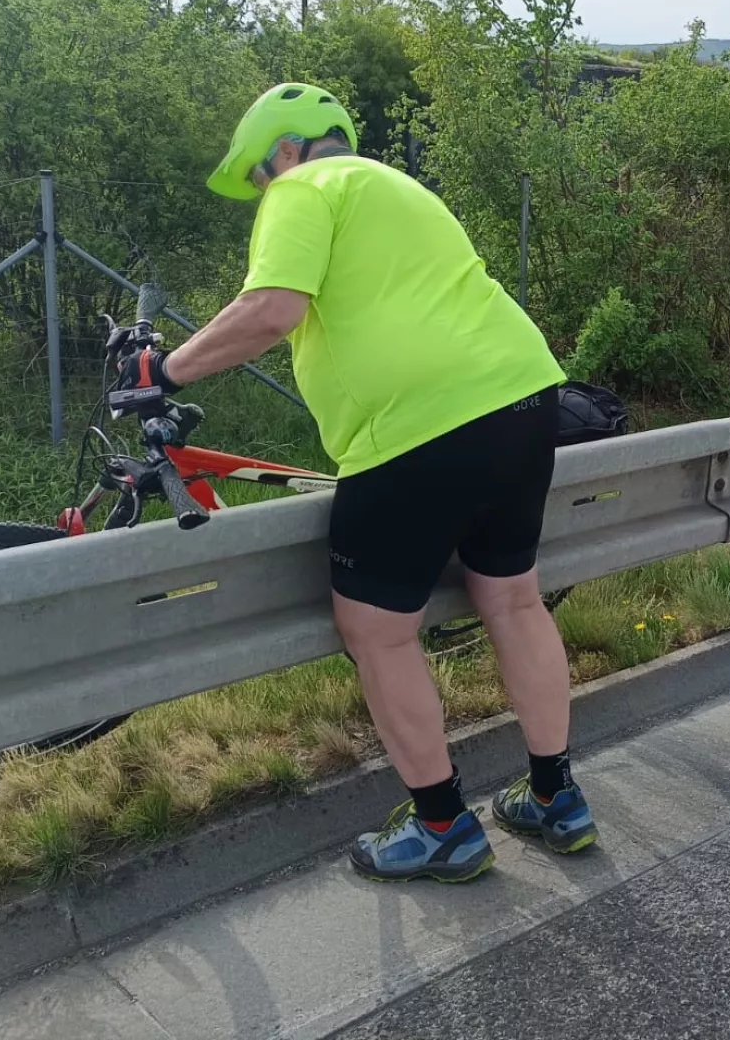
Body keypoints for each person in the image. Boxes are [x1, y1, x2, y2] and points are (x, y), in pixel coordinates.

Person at [119, 82, 594, 882]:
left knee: (377, 629)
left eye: (259, 177)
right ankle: (556, 797)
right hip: (525, 392)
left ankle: (443, 824)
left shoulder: (304, 186)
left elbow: (272, 307)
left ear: (283, 149)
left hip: (419, 425)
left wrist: (163, 368)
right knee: (512, 597)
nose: (263, 193)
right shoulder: (401, 188)